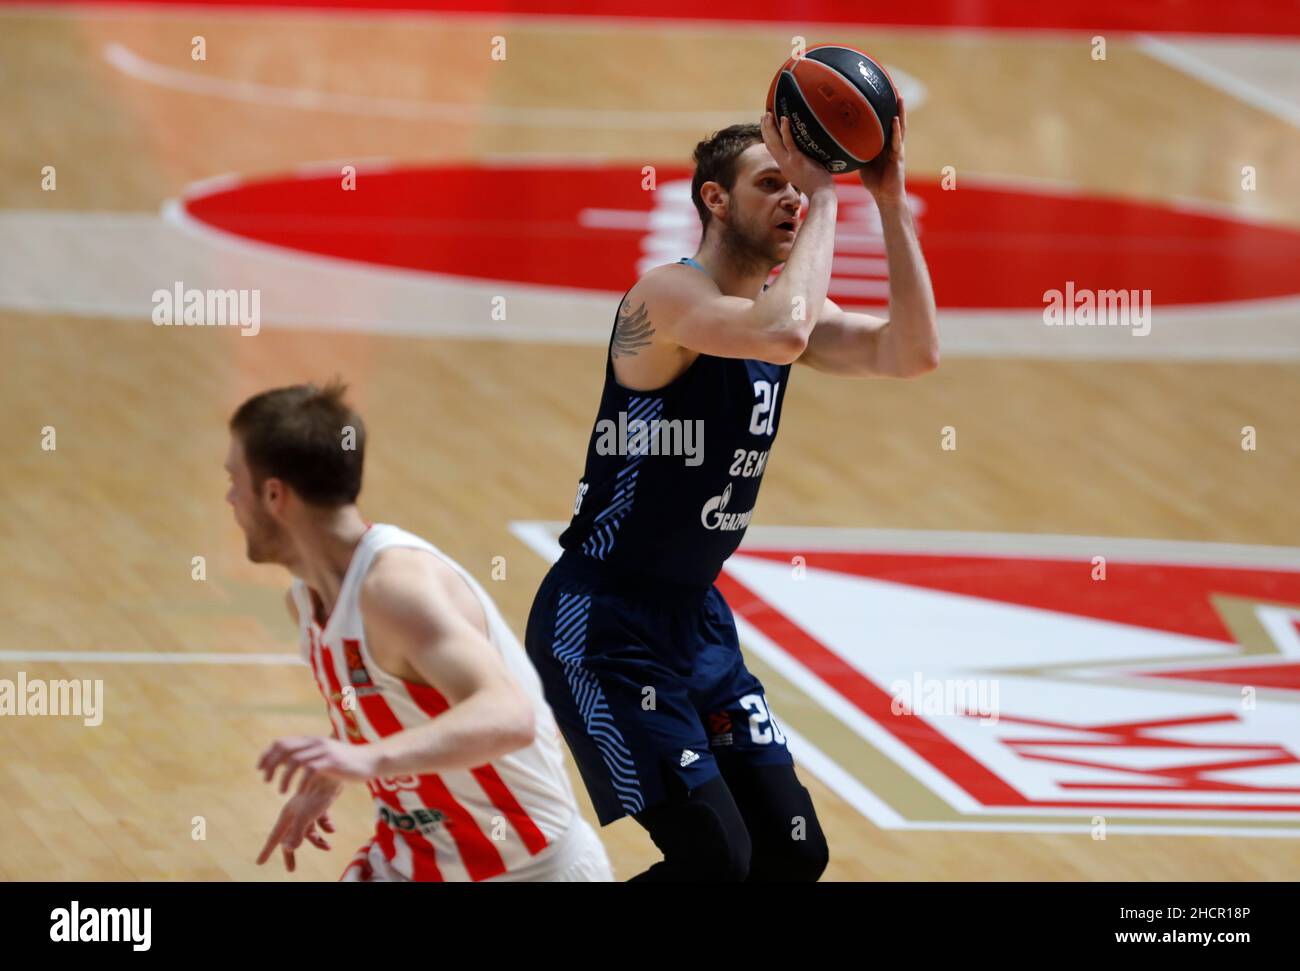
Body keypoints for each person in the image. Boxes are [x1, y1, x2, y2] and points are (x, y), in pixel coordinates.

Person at [523, 109, 937, 881]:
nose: (792, 198)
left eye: (797, 186)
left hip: (696, 621)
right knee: (714, 858)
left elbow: (911, 352)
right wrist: (824, 197)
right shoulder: (668, 297)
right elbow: (781, 334)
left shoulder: (783, 313)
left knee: (791, 853)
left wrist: (887, 196)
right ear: (714, 200)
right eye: (771, 183)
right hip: (603, 621)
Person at [226, 381, 612, 881]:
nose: (230, 497)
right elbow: (381, 701)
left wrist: (365, 758)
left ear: (274, 494)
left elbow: (508, 714)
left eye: (235, 479)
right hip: (414, 863)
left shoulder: (395, 588)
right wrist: (330, 768)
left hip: (530, 870)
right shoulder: (306, 601)